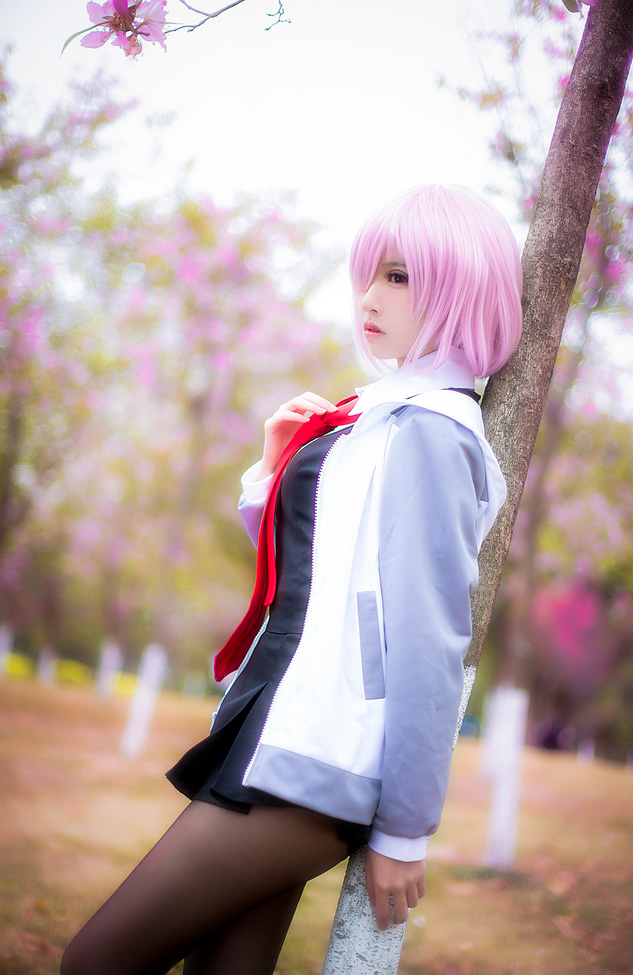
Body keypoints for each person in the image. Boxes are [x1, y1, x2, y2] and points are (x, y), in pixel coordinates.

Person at [61, 183, 522, 975]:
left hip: (320, 760)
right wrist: (277, 467)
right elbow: (316, 571)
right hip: (277, 726)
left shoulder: (432, 434)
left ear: (462, 286)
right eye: (369, 274)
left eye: (399, 276)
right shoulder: (383, 415)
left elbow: (428, 637)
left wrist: (406, 828)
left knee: (95, 960)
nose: (369, 296)